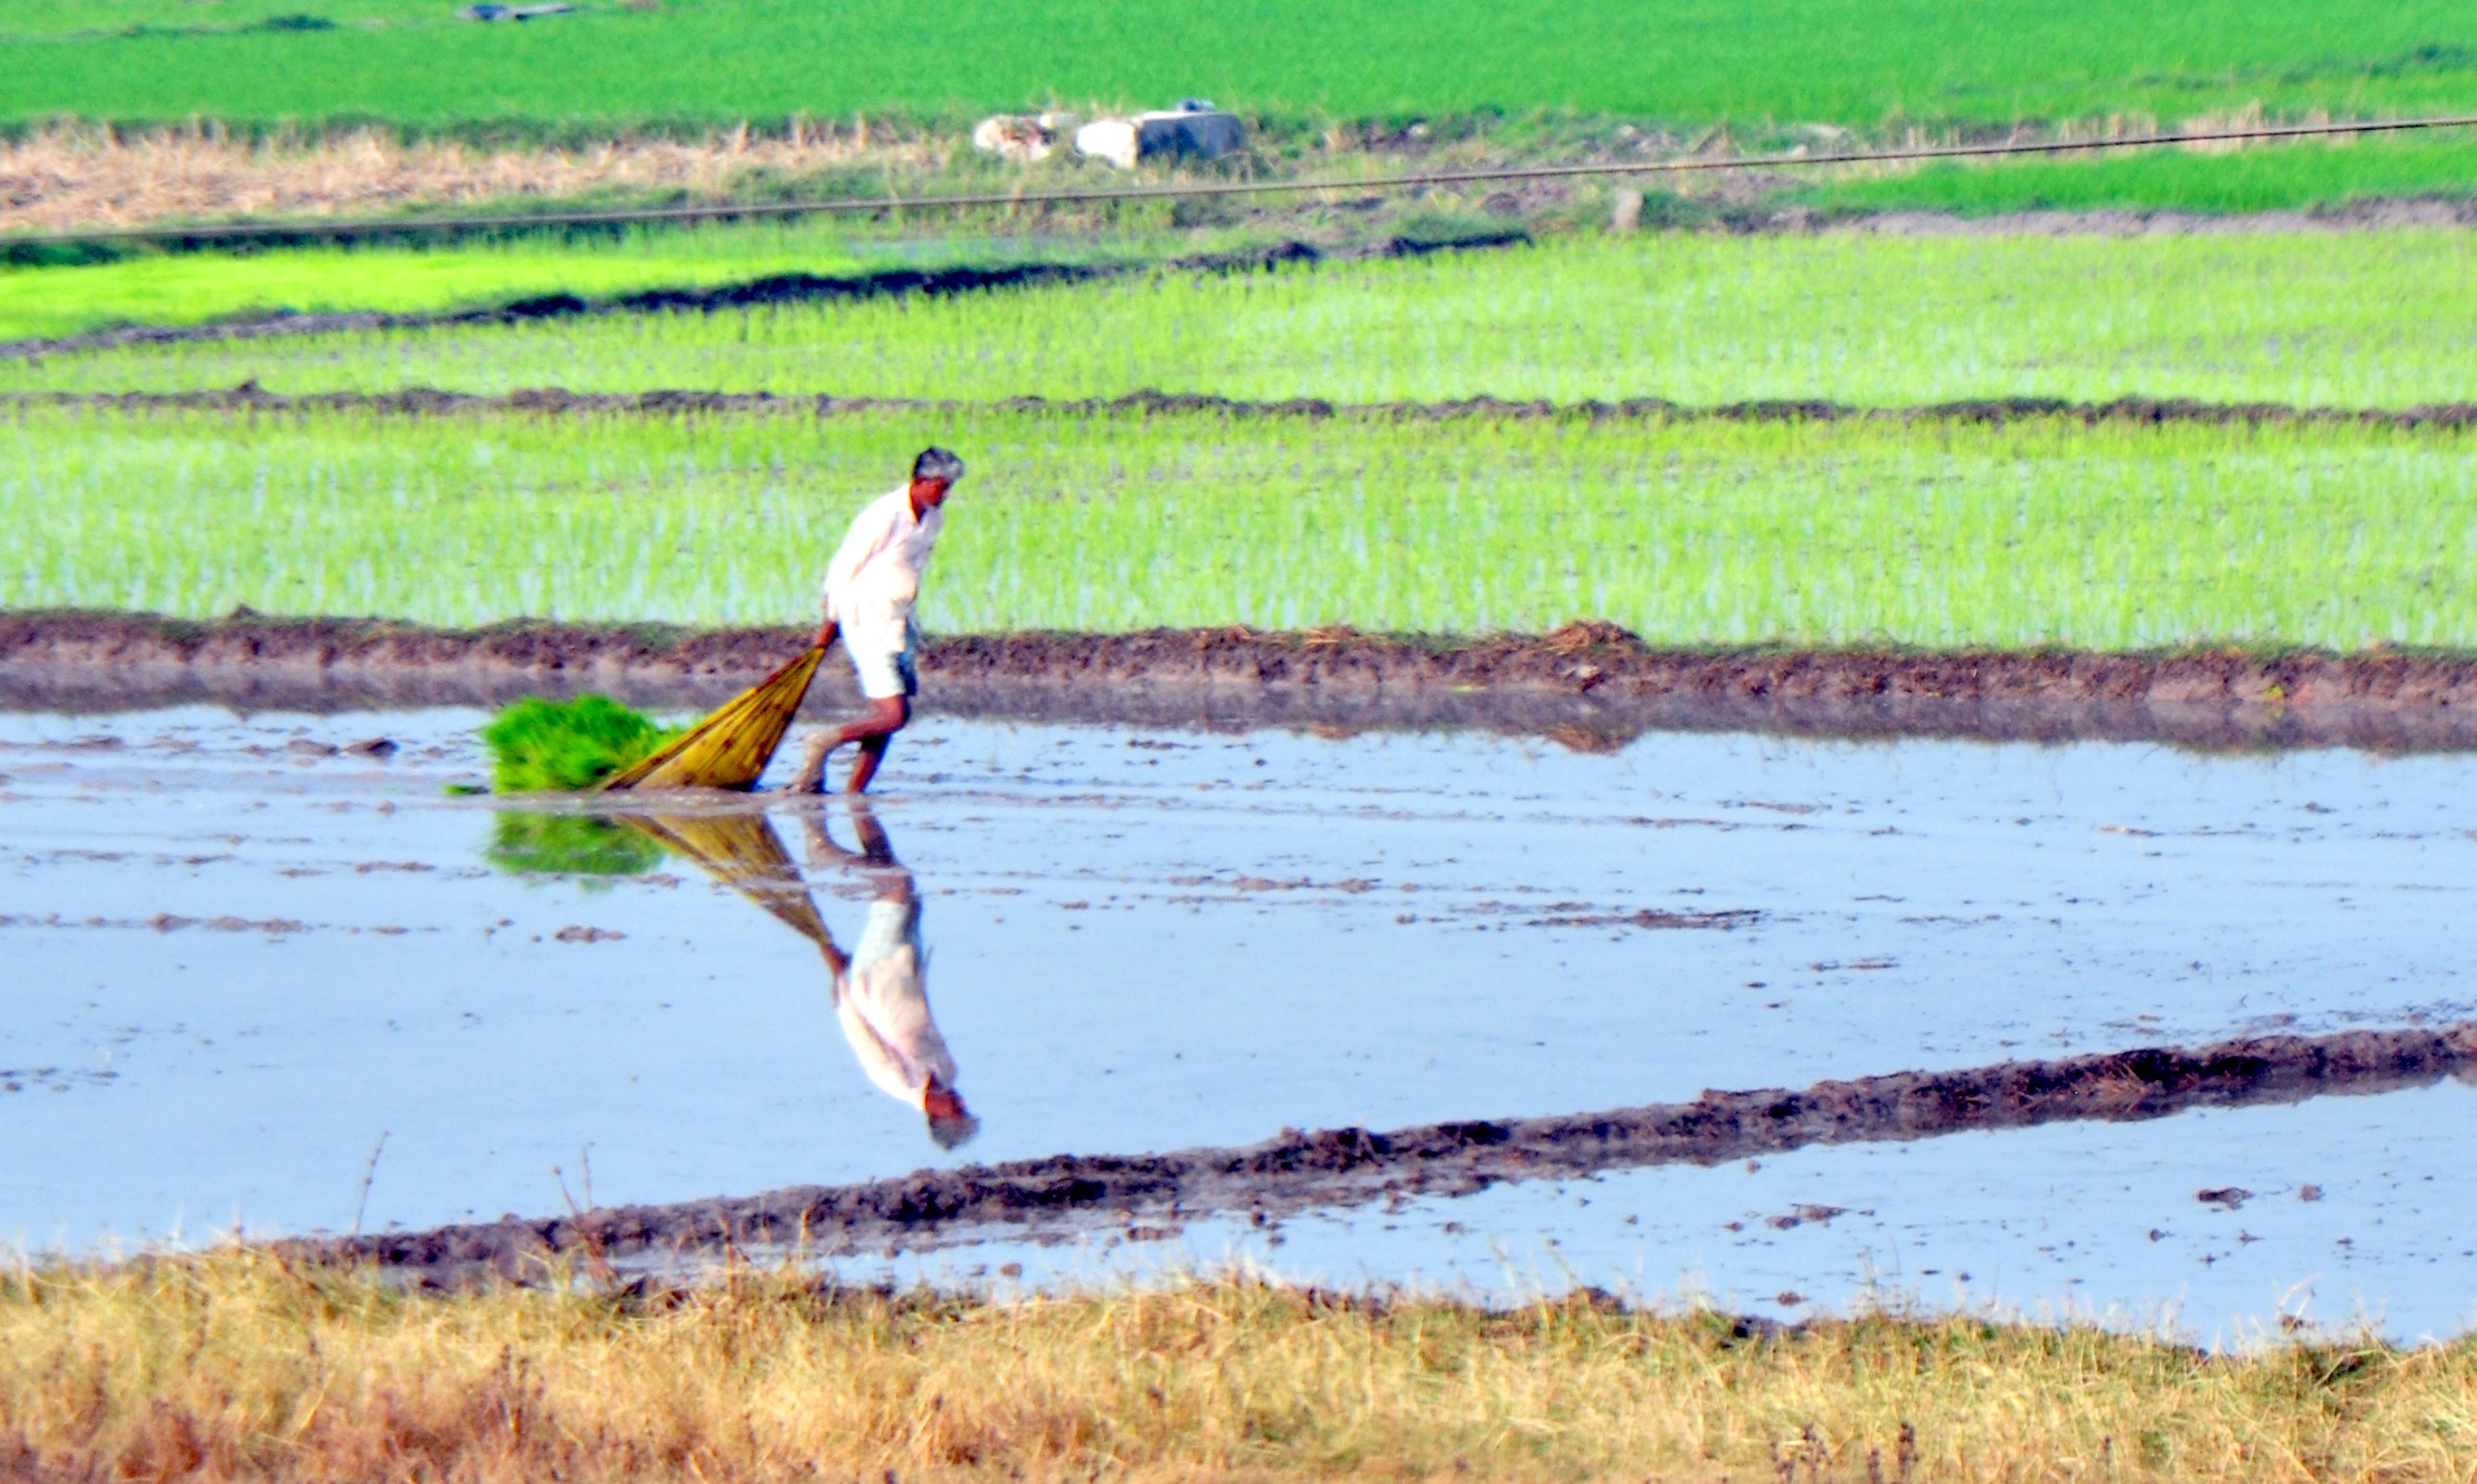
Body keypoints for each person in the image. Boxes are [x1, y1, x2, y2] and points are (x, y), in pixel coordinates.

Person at [801, 804, 979, 1150]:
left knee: (897, 886)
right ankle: (859, 811)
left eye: (959, 1110)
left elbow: (859, 1036)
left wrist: (839, 977)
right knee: (903, 894)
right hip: (906, 968)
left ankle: (825, 852)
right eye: (963, 1107)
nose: (961, 1102)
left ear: (938, 1115)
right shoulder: (948, 1072)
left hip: (876, 976)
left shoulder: (897, 1082)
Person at [789, 447, 964, 794]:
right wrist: (831, 621)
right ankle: (822, 742)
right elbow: (844, 567)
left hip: (898, 622)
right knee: (895, 715)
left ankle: (855, 793)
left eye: (948, 488)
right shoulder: (885, 515)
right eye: (941, 487)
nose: (945, 495)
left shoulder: (932, 518)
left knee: (886, 719)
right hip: (864, 619)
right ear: (919, 481)